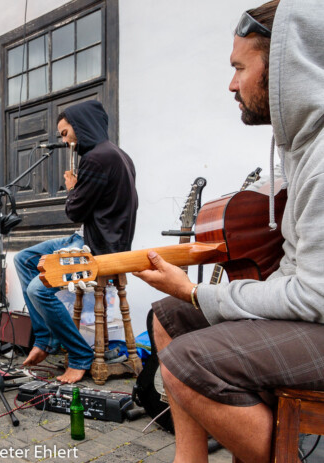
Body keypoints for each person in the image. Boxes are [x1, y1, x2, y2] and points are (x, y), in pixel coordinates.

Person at [133, 1, 324, 462]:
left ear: (285, 67)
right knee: (167, 317)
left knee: (187, 360)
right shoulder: (300, 147)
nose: (231, 83)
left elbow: (315, 297)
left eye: (240, 67)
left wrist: (203, 296)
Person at [14, 100, 138, 384]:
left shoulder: (97, 158)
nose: (64, 139)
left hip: (97, 248)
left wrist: (72, 189)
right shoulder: (118, 155)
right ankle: (45, 339)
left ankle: (80, 355)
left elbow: (75, 212)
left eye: (65, 132)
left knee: (38, 289)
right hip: (84, 238)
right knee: (22, 259)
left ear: (81, 127)